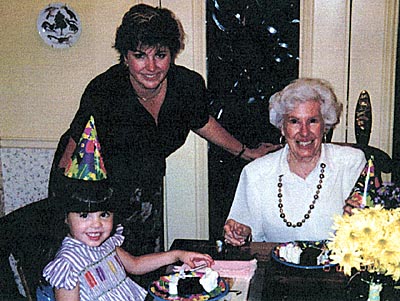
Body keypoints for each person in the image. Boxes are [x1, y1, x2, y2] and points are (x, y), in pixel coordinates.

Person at [52, 3, 281, 258]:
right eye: (140, 55)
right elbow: (68, 161)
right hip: (95, 196)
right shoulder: (104, 92)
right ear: (125, 57)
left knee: (146, 266)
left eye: (160, 55)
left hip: (146, 187)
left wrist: (247, 153)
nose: (151, 67)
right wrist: (75, 222)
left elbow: (202, 122)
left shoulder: (187, 85)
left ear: (171, 55)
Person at [223, 78, 367, 245]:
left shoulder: (351, 163)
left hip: (337, 268)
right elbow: (244, 232)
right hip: (276, 268)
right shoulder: (256, 173)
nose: (304, 132)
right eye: (294, 121)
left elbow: (373, 228)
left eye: (312, 121)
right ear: (282, 128)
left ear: (324, 125)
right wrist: (240, 234)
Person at [43, 178, 214, 301]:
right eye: (84, 215)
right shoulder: (67, 265)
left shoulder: (106, 243)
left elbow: (135, 264)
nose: (96, 225)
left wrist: (177, 255)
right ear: (65, 218)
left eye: (104, 214)